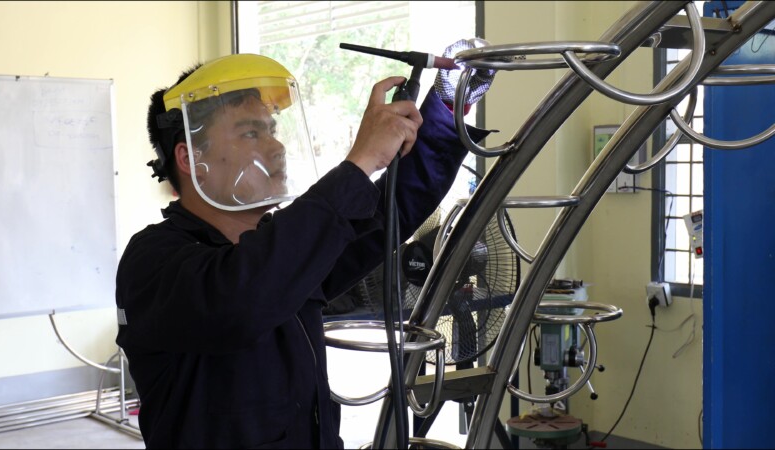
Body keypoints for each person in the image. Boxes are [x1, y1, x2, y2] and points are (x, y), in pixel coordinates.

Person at [115, 39, 494, 449]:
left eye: (272, 129)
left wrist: (446, 106)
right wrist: (359, 162)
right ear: (190, 160)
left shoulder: (287, 244)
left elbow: (387, 213)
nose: (275, 146)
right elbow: (242, 297)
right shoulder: (153, 261)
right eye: (250, 132)